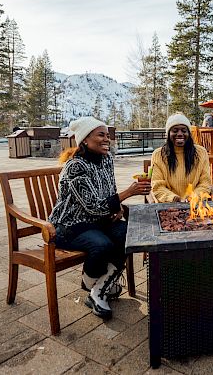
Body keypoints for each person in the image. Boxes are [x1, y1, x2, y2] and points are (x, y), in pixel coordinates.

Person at [49, 117, 151, 319]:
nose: (107, 139)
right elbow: (93, 206)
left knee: (129, 234)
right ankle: (91, 282)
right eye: (101, 135)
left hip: (98, 222)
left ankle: (98, 289)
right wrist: (129, 192)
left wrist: (119, 209)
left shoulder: (106, 160)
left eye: (108, 135)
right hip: (69, 226)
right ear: (85, 140)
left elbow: (109, 192)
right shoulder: (75, 167)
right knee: (103, 245)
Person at [151, 113, 212, 202]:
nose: (180, 134)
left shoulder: (201, 153)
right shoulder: (158, 155)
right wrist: (175, 199)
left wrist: (193, 197)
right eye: (175, 131)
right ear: (168, 134)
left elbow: (205, 183)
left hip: (194, 205)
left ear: (189, 133)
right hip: (168, 205)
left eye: (184, 130)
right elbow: (157, 187)